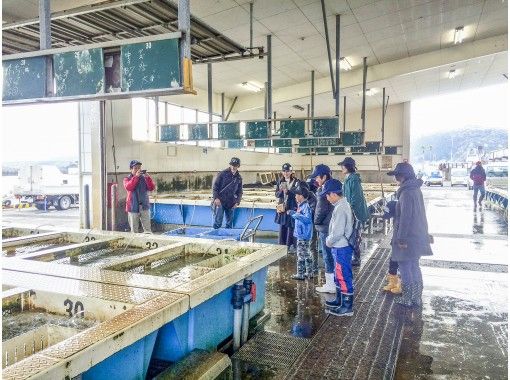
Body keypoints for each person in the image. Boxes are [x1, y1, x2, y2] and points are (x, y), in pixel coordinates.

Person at [387, 162, 433, 307]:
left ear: (402, 176)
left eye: (397, 175)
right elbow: (421, 215)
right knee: (414, 266)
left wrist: (401, 238)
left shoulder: (406, 192)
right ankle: (416, 298)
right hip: (417, 235)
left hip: (407, 238)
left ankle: (407, 298)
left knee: (406, 267)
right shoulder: (416, 190)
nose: (395, 178)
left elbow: (405, 217)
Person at [322, 179, 354, 317]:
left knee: (343, 275)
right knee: (339, 273)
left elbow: (338, 232)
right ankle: (339, 300)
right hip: (340, 246)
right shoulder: (341, 205)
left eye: (327, 195)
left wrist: (328, 241)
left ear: (334, 194)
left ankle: (347, 307)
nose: (326, 198)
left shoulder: (341, 208)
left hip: (341, 246)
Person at [338, 157, 370, 266]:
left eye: (343, 165)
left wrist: (349, 211)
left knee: (355, 235)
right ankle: (353, 256)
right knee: (352, 235)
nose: (341, 168)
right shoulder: (349, 179)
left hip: (355, 213)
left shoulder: (353, 180)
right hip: (350, 211)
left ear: (348, 167)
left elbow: (354, 199)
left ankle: (356, 258)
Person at [309, 164, 335, 294]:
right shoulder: (334, 186)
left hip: (325, 227)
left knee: (327, 255)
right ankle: (335, 282)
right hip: (333, 226)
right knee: (333, 254)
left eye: (317, 177)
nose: (316, 180)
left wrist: (315, 222)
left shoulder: (323, 189)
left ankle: (330, 285)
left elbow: (320, 210)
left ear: (324, 176)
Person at [288, 185, 314, 280]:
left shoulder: (306, 206)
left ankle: (300, 274)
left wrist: (294, 214)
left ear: (301, 196)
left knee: (300, 254)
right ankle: (310, 272)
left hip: (303, 235)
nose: (295, 196)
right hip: (303, 234)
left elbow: (307, 219)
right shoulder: (301, 205)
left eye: (296, 195)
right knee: (306, 253)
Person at [123, 160, 155, 233]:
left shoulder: (144, 178)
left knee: (148, 229)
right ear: (131, 169)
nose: (138, 170)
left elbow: (151, 188)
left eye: (139, 168)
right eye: (135, 168)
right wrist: (136, 177)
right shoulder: (126, 179)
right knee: (134, 230)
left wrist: (148, 178)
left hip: (144, 206)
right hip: (132, 207)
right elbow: (129, 187)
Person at [275, 163, 301, 253]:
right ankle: (282, 246)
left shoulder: (296, 181)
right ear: (282, 172)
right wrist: (282, 191)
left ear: (291, 172)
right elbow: (276, 194)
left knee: (291, 226)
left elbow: (298, 193)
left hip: (292, 206)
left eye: (287, 171)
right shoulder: (280, 181)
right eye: (284, 171)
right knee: (282, 227)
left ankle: (291, 246)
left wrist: (288, 192)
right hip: (282, 207)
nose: (286, 173)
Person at [212, 157, 243, 229]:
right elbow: (215, 187)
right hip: (220, 201)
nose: (233, 167)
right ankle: (215, 237)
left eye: (235, 165)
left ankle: (228, 238)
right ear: (230, 165)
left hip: (231, 202)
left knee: (229, 222)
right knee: (218, 221)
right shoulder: (222, 174)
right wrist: (216, 198)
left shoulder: (239, 178)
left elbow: (240, 191)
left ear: (238, 166)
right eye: (232, 165)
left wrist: (237, 202)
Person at [381, 200, 402, 294]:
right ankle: (392, 283)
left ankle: (401, 285)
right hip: (396, 241)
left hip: (401, 242)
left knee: (402, 263)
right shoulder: (396, 214)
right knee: (393, 261)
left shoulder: (400, 216)